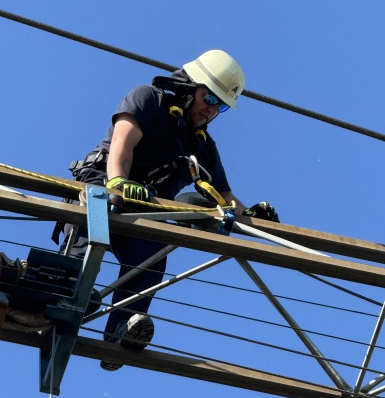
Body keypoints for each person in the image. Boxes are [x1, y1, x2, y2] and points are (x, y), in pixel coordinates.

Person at [58, 49, 278, 370]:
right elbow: (122, 142)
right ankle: (65, 291)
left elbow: (224, 196)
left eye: (220, 106)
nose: (211, 109)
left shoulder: (201, 145)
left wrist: (253, 218)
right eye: (209, 98)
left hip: (146, 207)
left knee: (153, 253)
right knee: (92, 221)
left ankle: (121, 330)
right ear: (191, 87)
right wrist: (118, 182)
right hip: (103, 186)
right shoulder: (149, 99)